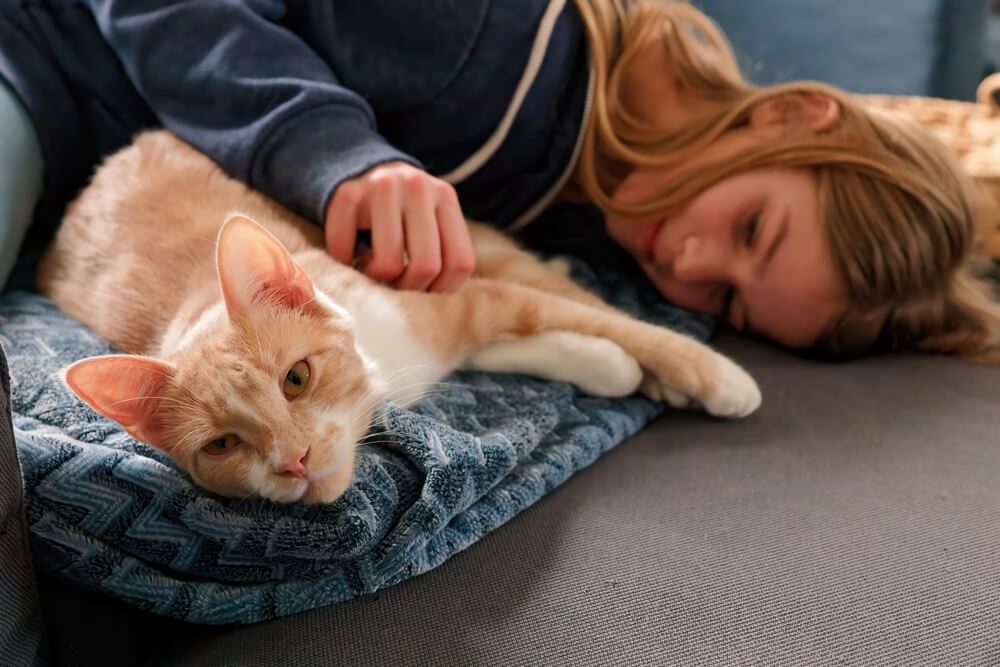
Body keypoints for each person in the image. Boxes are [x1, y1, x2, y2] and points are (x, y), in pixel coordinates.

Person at [0, 0, 998, 359]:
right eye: (750, 230)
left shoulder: (575, 196)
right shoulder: (493, 33)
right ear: (789, 114)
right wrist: (333, 150)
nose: (687, 263)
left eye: (728, 303)